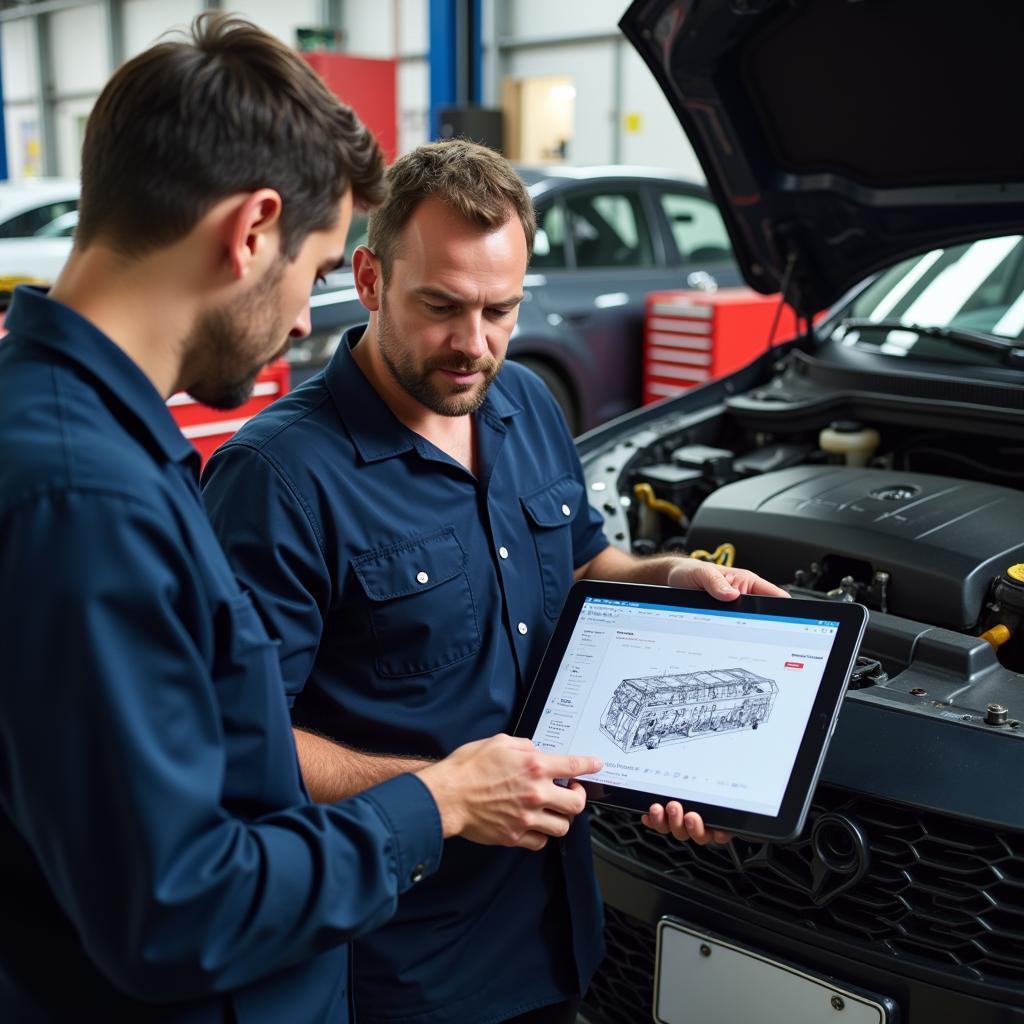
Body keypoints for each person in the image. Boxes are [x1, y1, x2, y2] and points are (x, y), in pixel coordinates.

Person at [0, 20, 606, 1024]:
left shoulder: (95, 448)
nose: (299, 323)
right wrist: (440, 799)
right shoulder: (85, 496)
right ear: (252, 230)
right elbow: (179, 906)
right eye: (320, 271)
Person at [202, 138, 787, 1024]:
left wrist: (676, 579)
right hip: (399, 962)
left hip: (555, 928)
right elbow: (237, 745)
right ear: (369, 278)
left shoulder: (524, 406)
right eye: (441, 307)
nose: (474, 346)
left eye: (501, 311)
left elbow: (590, 564)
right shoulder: (279, 477)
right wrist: (445, 796)